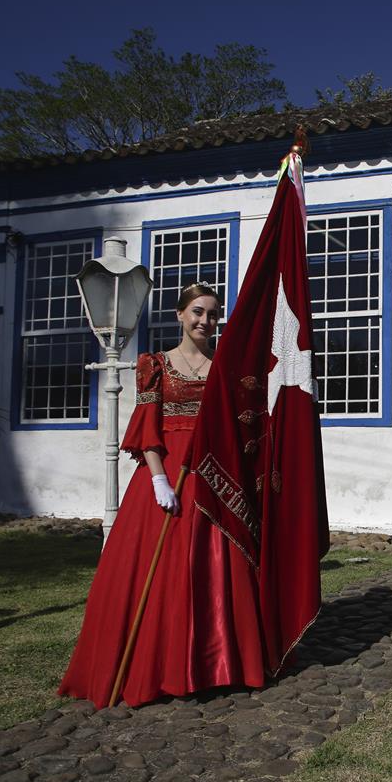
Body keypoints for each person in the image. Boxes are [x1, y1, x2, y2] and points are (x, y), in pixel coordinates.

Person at [60, 282, 274, 708]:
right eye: (198, 312)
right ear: (180, 314)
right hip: (165, 477)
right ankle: (153, 668)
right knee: (157, 575)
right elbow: (147, 426)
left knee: (213, 571)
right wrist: (158, 479)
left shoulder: (223, 368)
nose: (205, 321)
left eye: (213, 315)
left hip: (211, 478)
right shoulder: (154, 364)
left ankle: (217, 666)